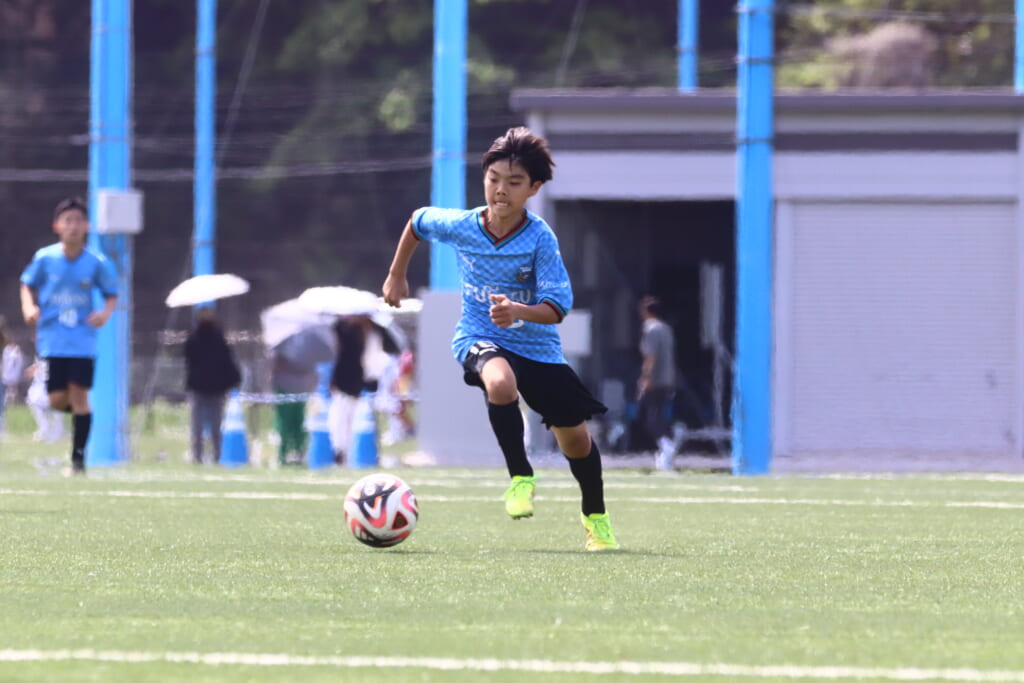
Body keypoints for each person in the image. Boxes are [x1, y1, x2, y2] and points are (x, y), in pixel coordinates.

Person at [382, 126, 618, 551]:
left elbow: (557, 308)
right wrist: (396, 274)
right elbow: (417, 221)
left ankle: (596, 519)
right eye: (493, 179)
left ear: (534, 188)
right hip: (478, 335)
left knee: (576, 442)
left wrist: (517, 311)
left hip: (538, 348)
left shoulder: (540, 239)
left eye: (514, 182)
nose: (501, 190)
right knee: (500, 382)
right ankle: (520, 477)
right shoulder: (464, 225)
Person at [20, 197, 118, 475]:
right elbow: (27, 284)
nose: (73, 226)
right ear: (57, 226)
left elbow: (111, 294)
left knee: (79, 395)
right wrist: (29, 307)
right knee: (56, 401)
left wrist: (104, 314)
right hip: (52, 341)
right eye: (68, 221)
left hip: (82, 341)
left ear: (87, 226)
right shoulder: (45, 258)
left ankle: (78, 460)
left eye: (79, 221)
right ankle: (78, 428)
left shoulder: (96, 262)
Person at [183, 307, 241, 464]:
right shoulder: (219, 339)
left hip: (198, 387)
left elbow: (188, 360)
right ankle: (216, 455)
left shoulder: (194, 338)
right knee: (216, 424)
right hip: (217, 388)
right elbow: (227, 362)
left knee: (197, 425)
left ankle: (197, 455)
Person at [637, 295, 677, 470]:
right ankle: (666, 447)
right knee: (659, 415)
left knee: (650, 419)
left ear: (646, 311)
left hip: (656, 380)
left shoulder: (651, 329)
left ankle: (667, 445)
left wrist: (646, 377)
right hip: (668, 379)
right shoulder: (666, 329)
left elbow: (650, 356)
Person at [328, 317, 367, 464]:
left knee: (343, 420)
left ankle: (342, 452)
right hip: (349, 384)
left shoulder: (354, 334)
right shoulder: (356, 333)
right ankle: (341, 451)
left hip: (348, 384)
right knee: (342, 421)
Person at [269, 347, 315, 466]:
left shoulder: (305, 347)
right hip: (284, 389)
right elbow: (273, 365)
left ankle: (297, 453)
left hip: (299, 389)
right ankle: (282, 454)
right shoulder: (280, 347)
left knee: (298, 423)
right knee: (284, 423)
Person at [26, 357, 64, 443]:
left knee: (53, 417)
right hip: (41, 394)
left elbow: (30, 372)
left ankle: (47, 432)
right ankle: (49, 432)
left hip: (38, 395)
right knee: (55, 416)